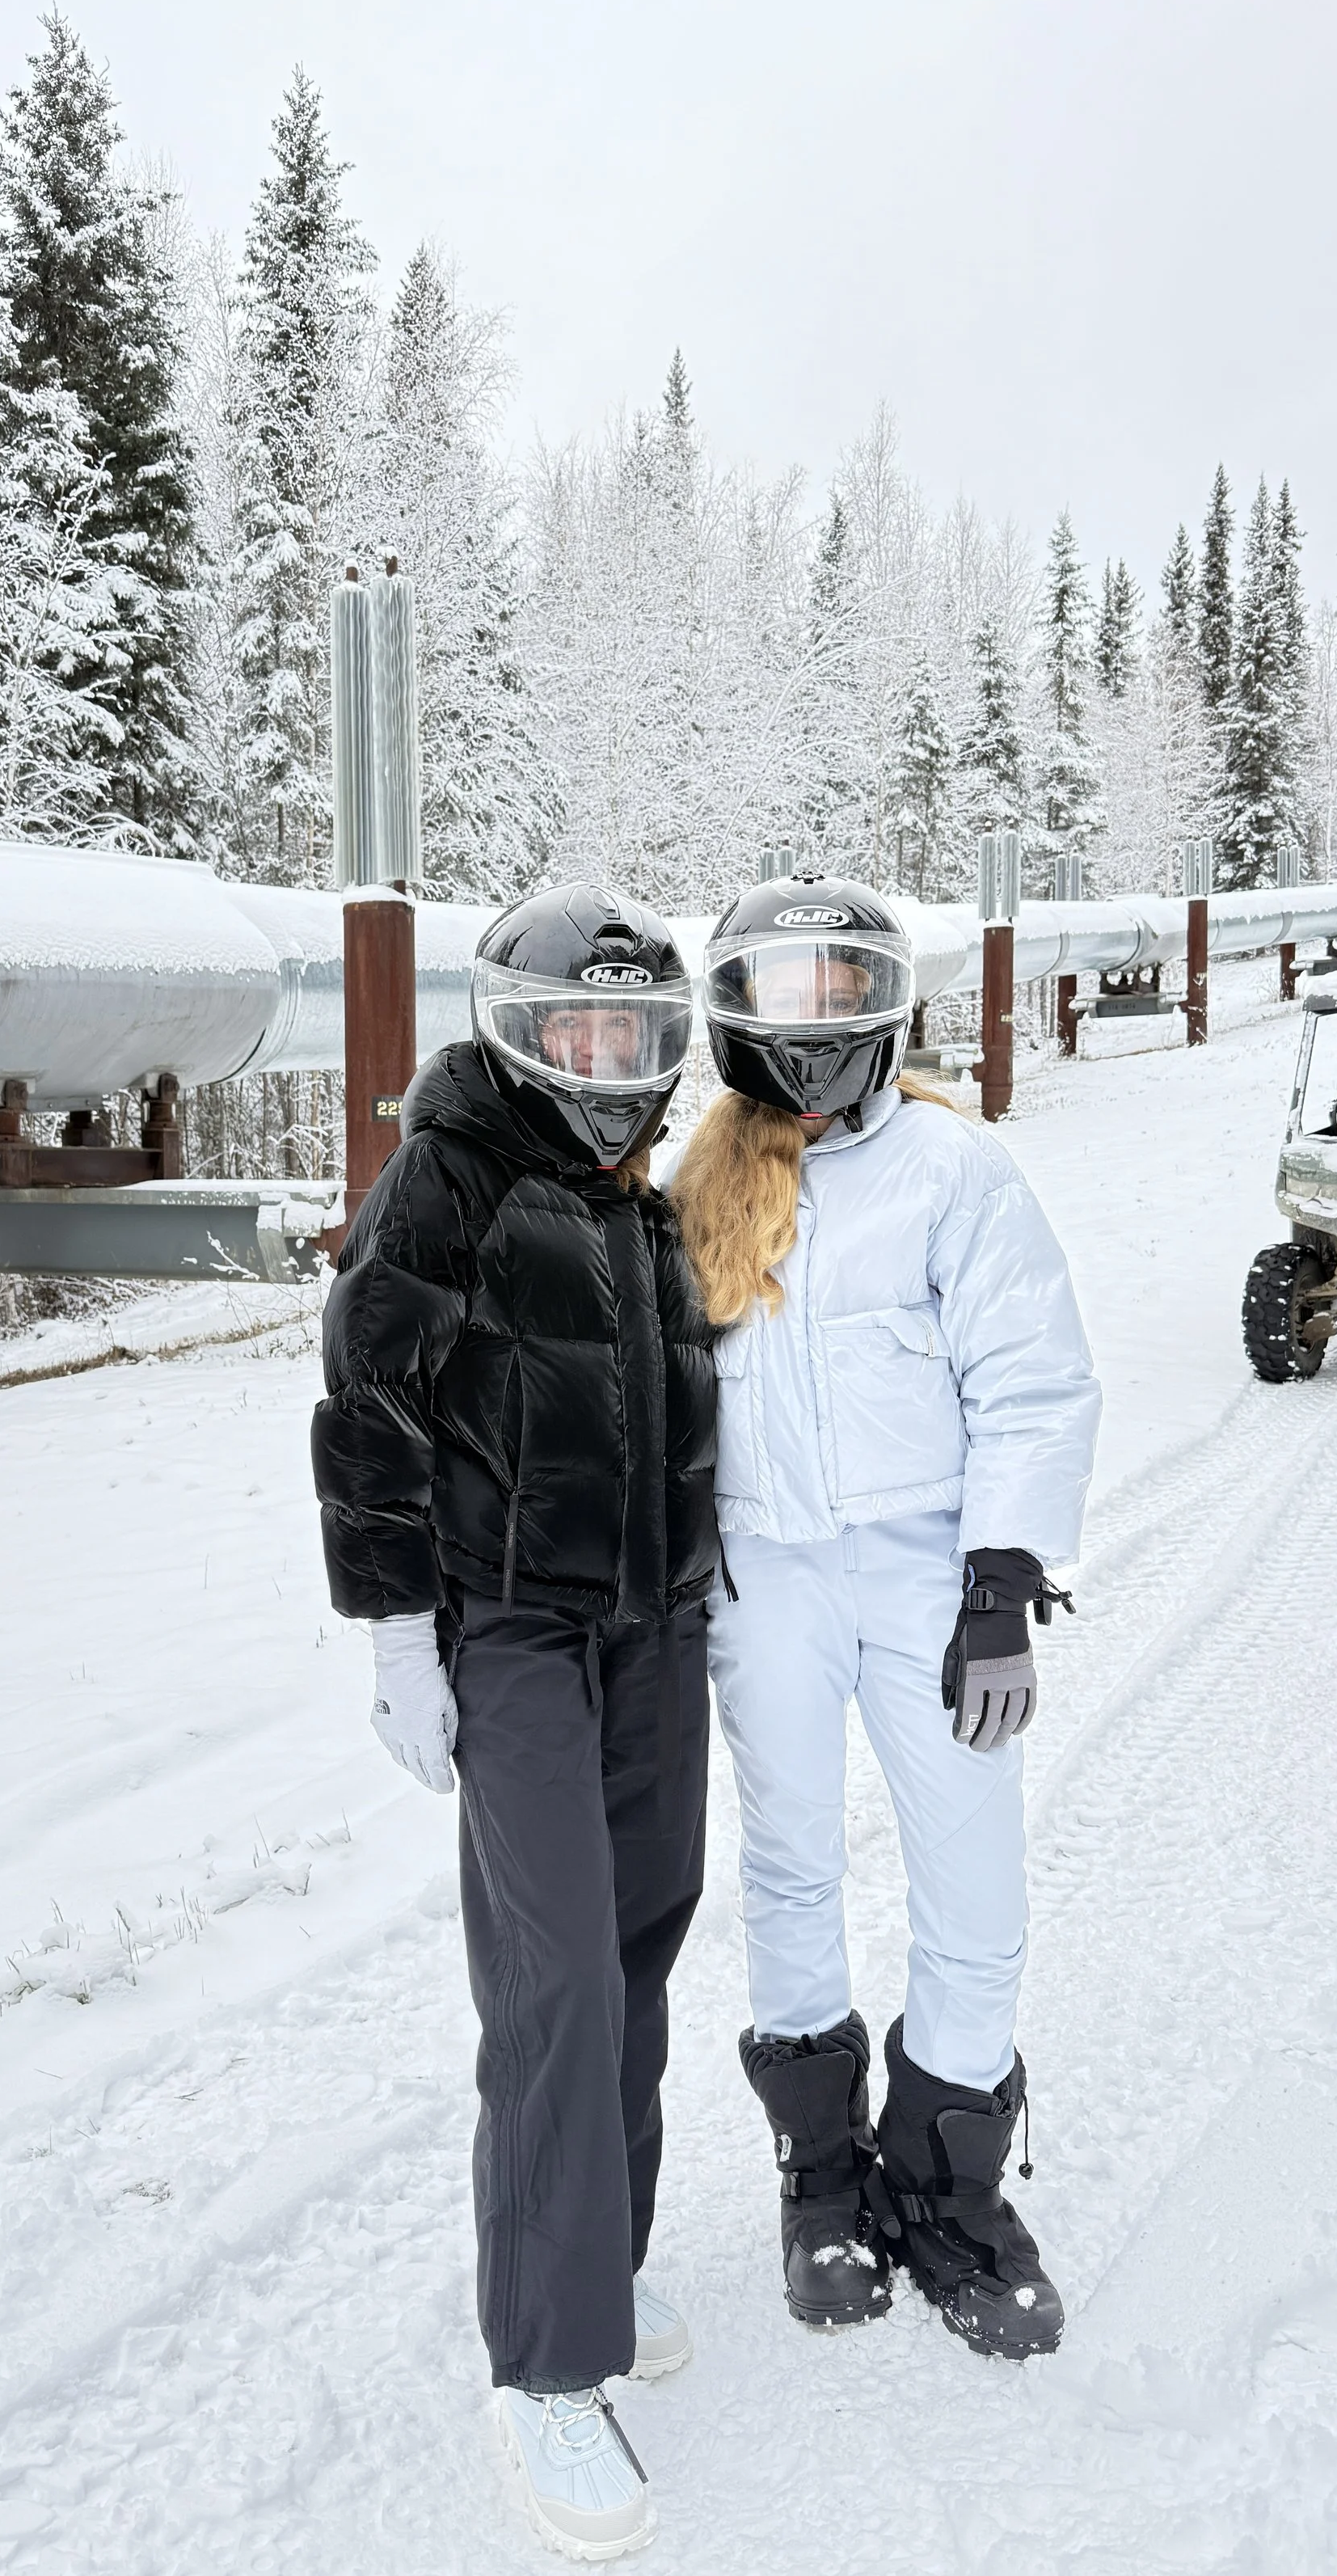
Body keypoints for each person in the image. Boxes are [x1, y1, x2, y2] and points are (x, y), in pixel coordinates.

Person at [311, 883, 718, 2561]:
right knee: (550, 1969)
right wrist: (401, 1624)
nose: (610, 1064)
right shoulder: (454, 1172)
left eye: (635, 1035)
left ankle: (598, 2243)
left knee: (638, 1934)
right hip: (517, 1628)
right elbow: (367, 1398)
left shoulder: (637, 1193)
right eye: (580, 1035)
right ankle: (546, 2364)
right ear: (518, 1034)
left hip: (654, 1621)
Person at [670, 871, 1100, 2359]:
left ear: (886, 1002)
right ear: (732, 1015)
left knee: (970, 1876)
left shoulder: (951, 1171)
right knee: (789, 1864)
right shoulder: (700, 1186)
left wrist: (1001, 1581)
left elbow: (1033, 1380)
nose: (815, 1023)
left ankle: (947, 2180)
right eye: (785, 993)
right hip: (762, 1580)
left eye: (843, 989)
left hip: (927, 1574)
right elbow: (667, 1409)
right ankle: (822, 2171)